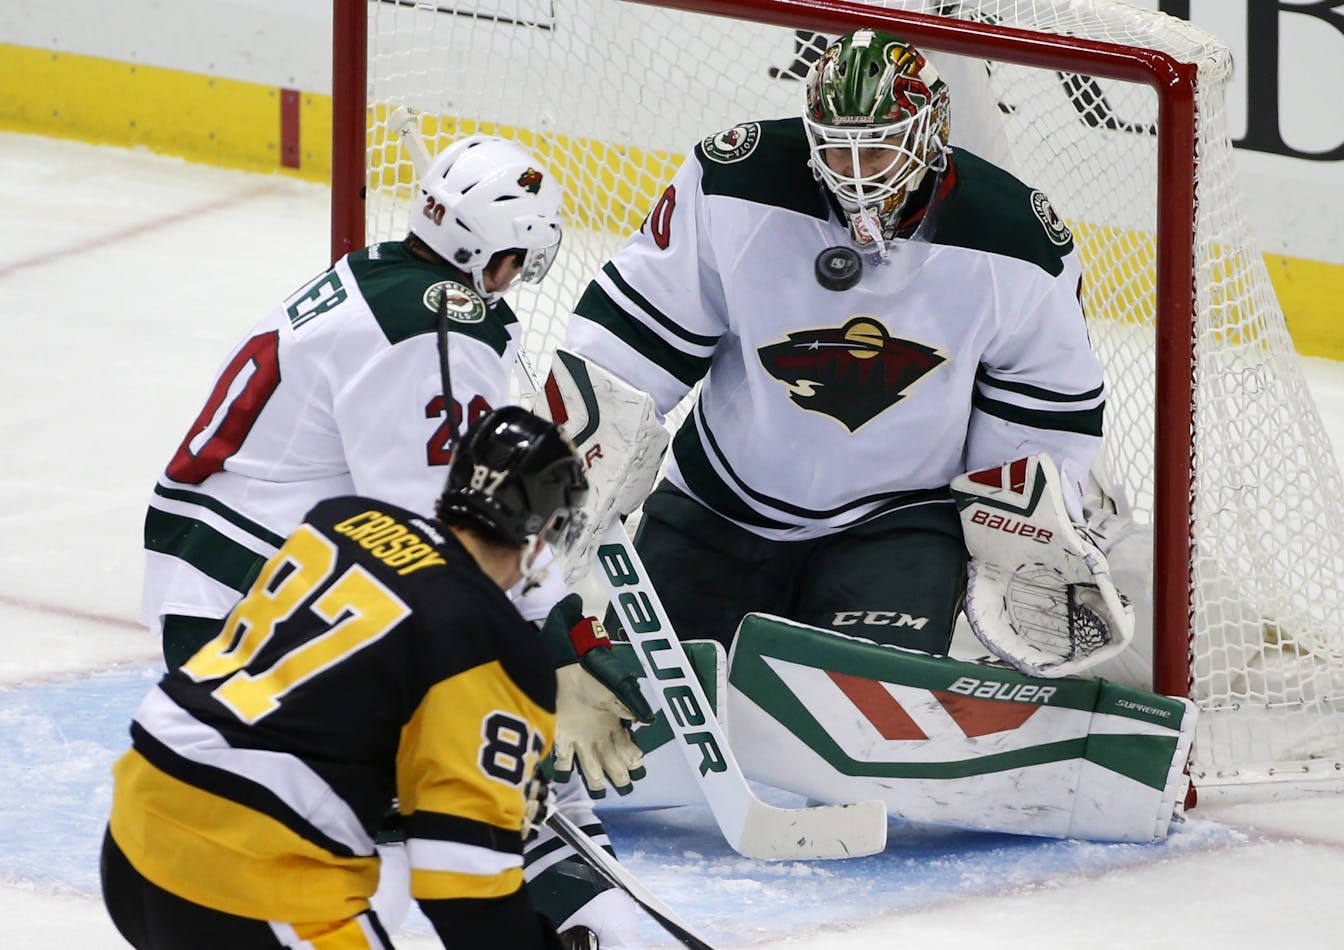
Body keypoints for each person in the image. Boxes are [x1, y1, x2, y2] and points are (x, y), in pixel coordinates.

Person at [138, 135, 650, 945]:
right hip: (255, 616)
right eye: (518, 259)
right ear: (495, 254)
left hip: (234, 590)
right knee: (467, 777)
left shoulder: (382, 278)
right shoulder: (436, 331)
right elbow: (459, 541)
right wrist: (552, 658)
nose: (517, 279)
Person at [543, 27, 1119, 670]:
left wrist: (1021, 536)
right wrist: (570, 468)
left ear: (929, 138)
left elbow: (1043, 406)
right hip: (720, 502)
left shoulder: (1014, 242)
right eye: (836, 150)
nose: (853, 173)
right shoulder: (736, 184)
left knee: (865, 732)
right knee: (649, 707)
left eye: (876, 150)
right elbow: (633, 341)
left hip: (898, 523)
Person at [102, 406, 600, 948]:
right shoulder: (496, 644)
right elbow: (464, 885)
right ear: (539, 532)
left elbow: (329, 704)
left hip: (136, 831)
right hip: (254, 879)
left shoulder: (342, 520)